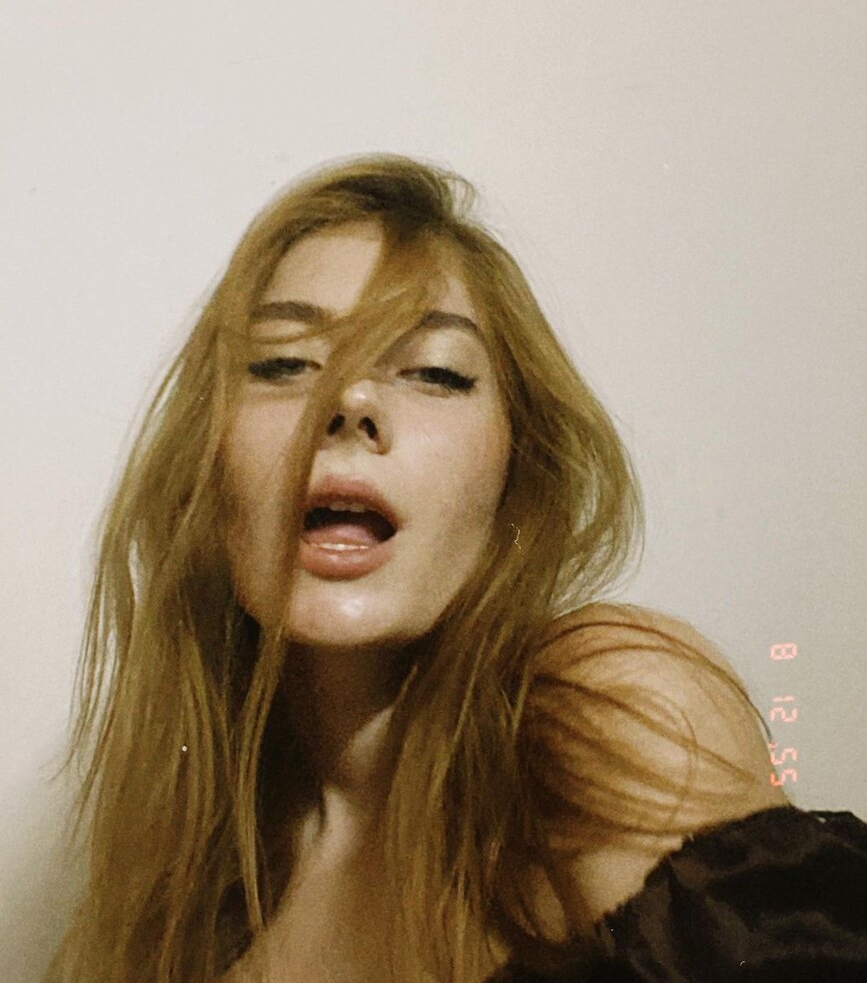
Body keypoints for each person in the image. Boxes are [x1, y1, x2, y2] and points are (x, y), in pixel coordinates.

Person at [46, 155, 867, 983]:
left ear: (515, 477)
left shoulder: (604, 709)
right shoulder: (185, 912)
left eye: (435, 373)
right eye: (284, 364)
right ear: (206, 468)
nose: (349, 401)